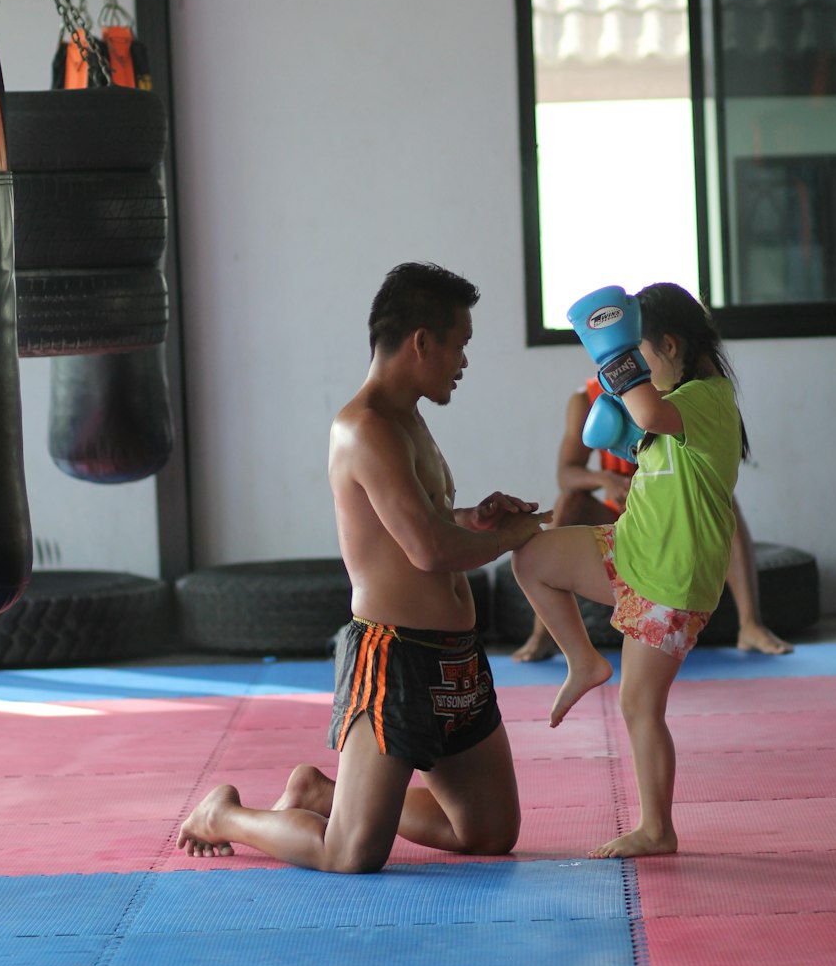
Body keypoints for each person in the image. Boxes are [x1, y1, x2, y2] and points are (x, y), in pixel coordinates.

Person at [177, 261, 548, 873]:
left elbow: (421, 519)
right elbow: (426, 550)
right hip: (394, 655)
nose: (463, 361)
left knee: (487, 833)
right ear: (421, 341)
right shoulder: (363, 427)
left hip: (455, 658)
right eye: (459, 345)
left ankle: (321, 794)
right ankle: (224, 816)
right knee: (350, 854)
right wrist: (515, 536)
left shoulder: (410, 421)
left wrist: (478, 519)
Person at [511, 281, 749, 860]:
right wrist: (624, 434)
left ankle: (656, 829)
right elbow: (645, 426)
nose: (636, 367)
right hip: (630, 547)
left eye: (640, 354)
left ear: (669, 345)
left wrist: (609, 352)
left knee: (641, 707)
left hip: (672, 578)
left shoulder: (709, 398)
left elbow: (647, 407)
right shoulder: (668, 409)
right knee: (533, 556)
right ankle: (583, 660)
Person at [512, 377, 792, 662]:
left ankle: (750, 624)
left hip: (669, 517)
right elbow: (566, 474)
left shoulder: (680, 396)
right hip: (620, 516)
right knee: (569, 502)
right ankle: (544, 632)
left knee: (725, 503)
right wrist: (604, 479)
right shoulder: (585, 398)